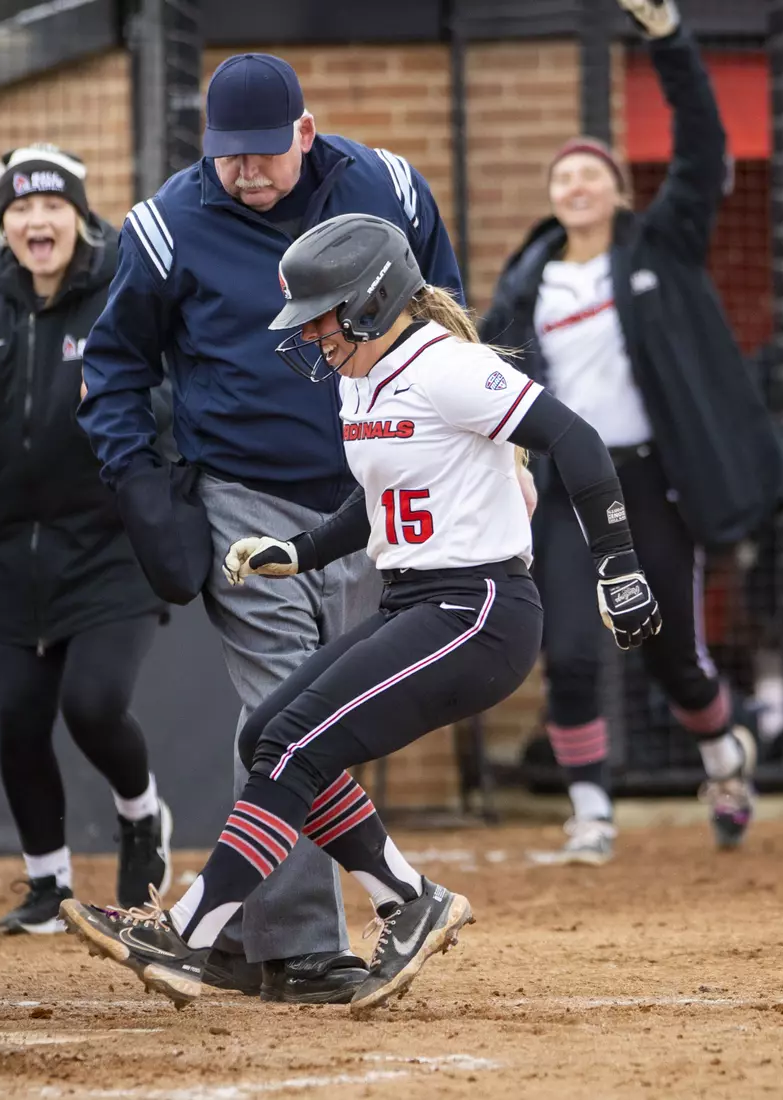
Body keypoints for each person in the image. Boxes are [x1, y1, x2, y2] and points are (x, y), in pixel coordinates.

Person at [63, 212, 658, 1013]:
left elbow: (577, 441)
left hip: (479, 607)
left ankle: (190, 931)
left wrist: (618, 567)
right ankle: (407, 899)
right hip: (417, 597)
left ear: (374, 301)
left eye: (322, 315)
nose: (311, 334)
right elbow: (374, 500)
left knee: (289, 749)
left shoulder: (447, 366)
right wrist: (298, 551)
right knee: (264, 732)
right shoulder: (360, 378)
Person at [79, 50, 461, 1003]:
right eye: (226, 156)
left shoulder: (389, 188)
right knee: (283, 713)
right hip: (244, 501)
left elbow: (445, 314)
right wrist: (137, 482)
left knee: (309, 725)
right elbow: (115, 367)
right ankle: (302, 945)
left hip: (371, 495)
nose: (244, 172)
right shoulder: (167, 226)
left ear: (305, 132)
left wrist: (467, 446)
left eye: (263, 153)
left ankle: (241, 936)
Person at [479, 0, 783, 861]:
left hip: (652, 482)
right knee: (570, 651)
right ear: (550, 199)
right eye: (561, 178)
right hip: (571, 487)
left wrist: (668, 40)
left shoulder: (661, 248)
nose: (574, 186)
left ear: (617, 188)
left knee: (666, 657)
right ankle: (590, 812)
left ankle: (725, 755)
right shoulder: (526, 286)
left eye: (590, 174)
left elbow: (701, 151)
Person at [0, 144, 172, 932]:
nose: (37, 220)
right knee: (20, 723)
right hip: (13, 552)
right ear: (4, 223)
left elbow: (164, 398)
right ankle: (47, 881)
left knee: (92, 704)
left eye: (52, 206)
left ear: (77, 215)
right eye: (21, 209)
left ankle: (141, 816)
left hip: (110, 545)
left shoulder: (119, 292)